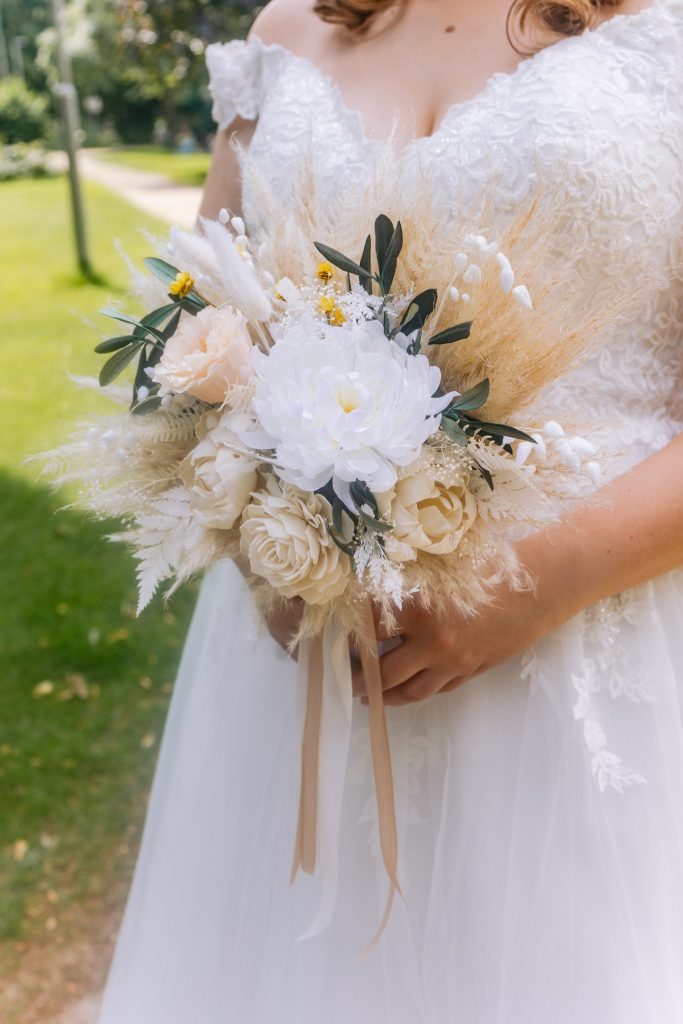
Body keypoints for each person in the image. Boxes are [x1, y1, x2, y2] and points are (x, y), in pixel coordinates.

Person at [96, 0, 683, 1020]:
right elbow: (193, 330)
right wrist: (261, 545)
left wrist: (534, 585)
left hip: (579, 679)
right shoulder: (288, 31)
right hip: (296, 683)